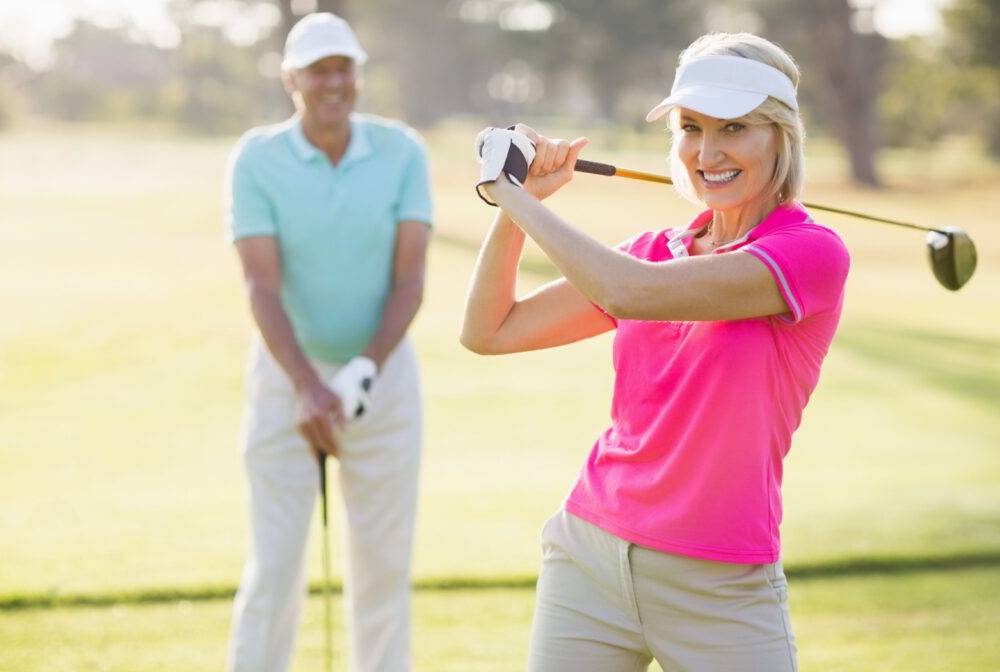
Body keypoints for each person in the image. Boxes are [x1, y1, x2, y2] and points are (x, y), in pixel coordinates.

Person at [463, 32, 849, 672]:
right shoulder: (651, 251)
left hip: (719, 583)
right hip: (590, 554)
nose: (708, 151)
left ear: (781, 136)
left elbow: (627, 291)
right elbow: (489, 330)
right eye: (691, 128)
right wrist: (515, 205)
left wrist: (513, 194)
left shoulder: (810, 254)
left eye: (735, 128)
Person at [224, 13, 432, 672]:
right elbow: (261, 287)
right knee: (276, 567)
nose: (333, 82)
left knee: (382, 570)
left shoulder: (402, 151)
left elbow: (411, 278)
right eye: (318, 70)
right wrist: (309, 388)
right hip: (287, 377)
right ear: (292, 79)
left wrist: (363, 370)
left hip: (384, 376)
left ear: (358, 75)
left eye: (344, 67)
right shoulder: (258, 157)